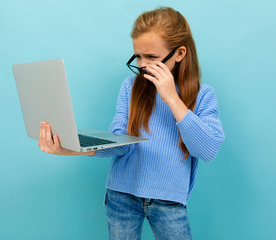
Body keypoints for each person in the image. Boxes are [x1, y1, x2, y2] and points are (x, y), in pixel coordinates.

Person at [38, 6, 225, 240]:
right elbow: (122, 144)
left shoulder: (203, 95)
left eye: (152, 57)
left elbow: (207, 150)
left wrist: (172, 99)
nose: (142, 65)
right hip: (121, 195)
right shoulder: (130, 87)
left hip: (169, 200)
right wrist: (72, 148)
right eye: (138, 56)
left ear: (179, 53)